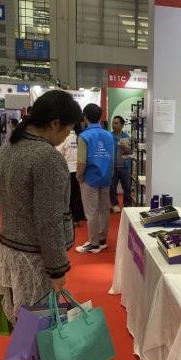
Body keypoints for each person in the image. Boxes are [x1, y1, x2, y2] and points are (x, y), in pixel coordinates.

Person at [0, 90, 82, 360]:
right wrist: (58, 269)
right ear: (55, 123)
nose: (67, 136)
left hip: (9, 251)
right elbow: (49, 221)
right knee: (36, 328)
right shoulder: (47, 158)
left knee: (24, 325)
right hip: (34, 258)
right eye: (67, 129)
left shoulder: (9, 147)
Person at [75, 104, 115, 254]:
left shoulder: (84, 136)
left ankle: (93, 243)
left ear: (85, 117)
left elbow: (81, 162)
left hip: (89, 178)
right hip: (105, 177)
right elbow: (111, 158)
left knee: (91, 212)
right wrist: (109, 175)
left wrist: (79, 177)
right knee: (104, 210)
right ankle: (102, 240)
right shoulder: (109, 135)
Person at [56, 122, 85, 223]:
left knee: (68, 195)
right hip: (80, 169)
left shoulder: (65, 138)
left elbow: (58, 153)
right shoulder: (81, 137)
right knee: (78, 195)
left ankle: (70, 217)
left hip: (68, 170)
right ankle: (78, 217)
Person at [109, 115, 132, 212]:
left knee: (127, 187)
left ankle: (127, 205)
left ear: (122, 125)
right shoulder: (109, 136)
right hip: (112, 167)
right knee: (112, 187)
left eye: (116, 123)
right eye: (113, 123)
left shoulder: (127, 137)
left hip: (124, 166)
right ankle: (115, 205)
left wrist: (126, 149)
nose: (114, 125)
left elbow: (130, 153)